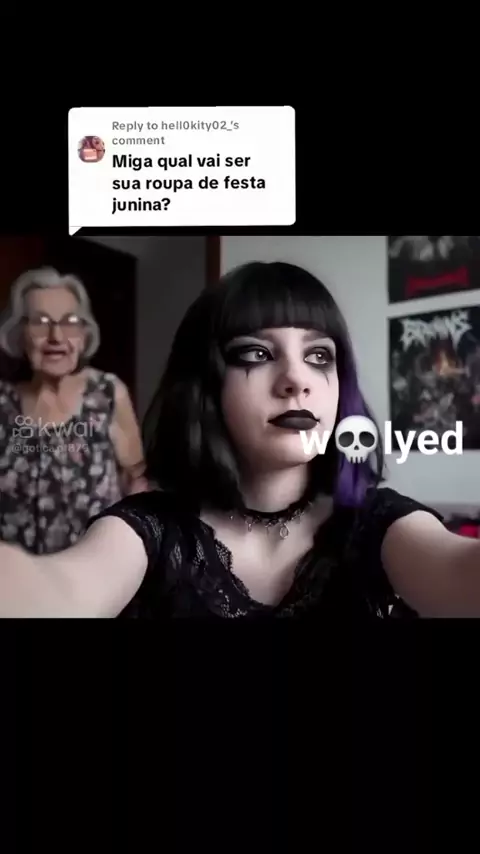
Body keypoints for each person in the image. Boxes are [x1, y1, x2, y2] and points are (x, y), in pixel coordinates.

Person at [0, 260, 479, 618]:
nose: (296, 379)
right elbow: (61, 591)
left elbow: (457, 572)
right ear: (206, 385)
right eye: (256, 354)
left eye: (319, 356)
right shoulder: (150, 531)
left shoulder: (379, 524)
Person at [0, 266, 147, 555]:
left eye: (69, 322)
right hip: (14, 576)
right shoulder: (2, 403)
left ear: (83, 335)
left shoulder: (106, 394)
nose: (56, 336)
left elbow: (136, 475)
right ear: (20, 333)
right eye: (41, 322)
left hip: (93, 569)